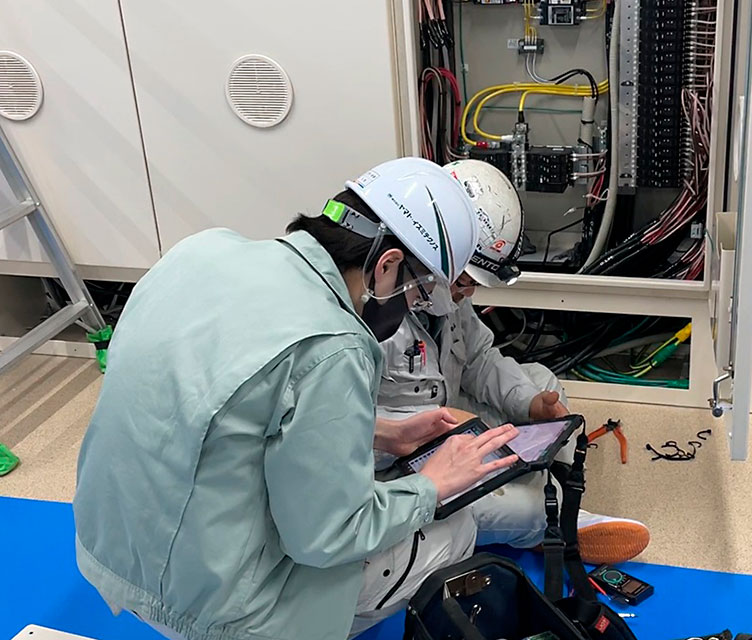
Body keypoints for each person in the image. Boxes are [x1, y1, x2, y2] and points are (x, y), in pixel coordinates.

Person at [73, 157, 525, 640]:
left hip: (108, 558)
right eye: (419, 293)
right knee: (456, 529)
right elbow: (327, 537)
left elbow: (219, 400)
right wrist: (431, 487)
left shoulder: (200, 251)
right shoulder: (337, 344)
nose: (415, 305)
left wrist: (381, 432)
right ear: (387, 266)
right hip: (215, 614)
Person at [375, 159, 650, 568]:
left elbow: (479, 359)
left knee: (541, 382)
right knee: (525, 509)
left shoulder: (442, 294)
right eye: (464, 281)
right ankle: (549, 520)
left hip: (452, 421)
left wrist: (530, 404)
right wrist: (427, 433)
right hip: (403, 467)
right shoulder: (374, 321)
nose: (468, 294)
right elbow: (349, 437)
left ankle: (543, 489)